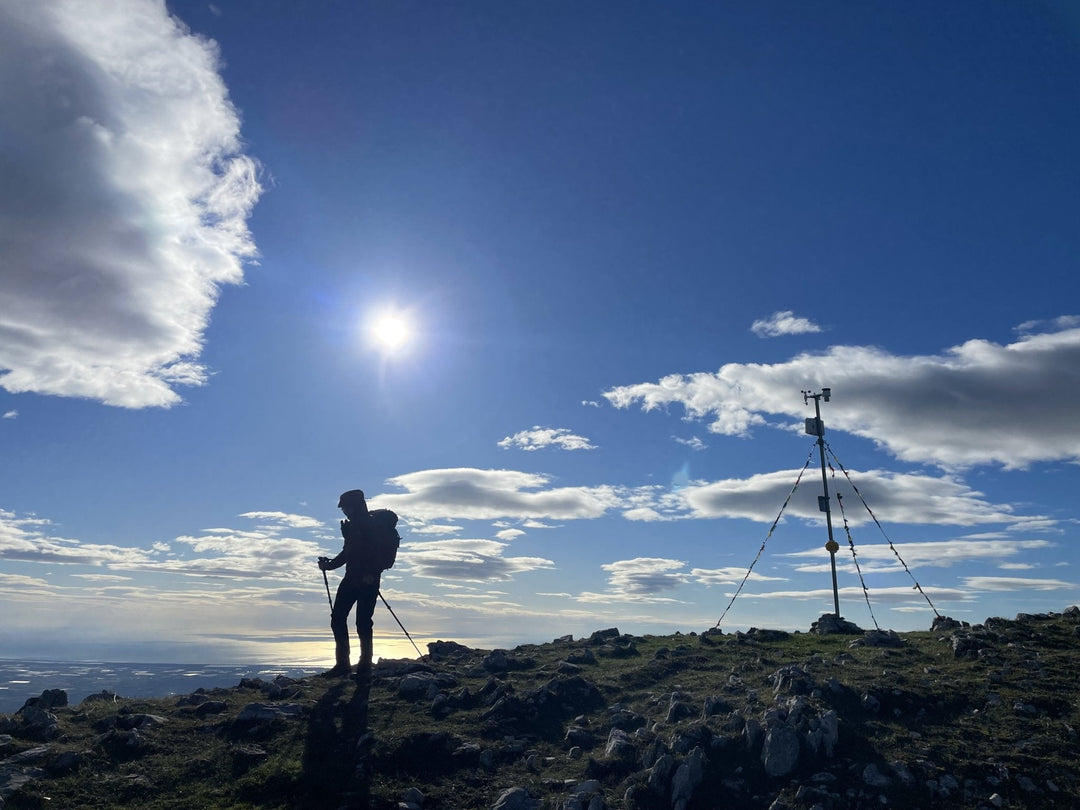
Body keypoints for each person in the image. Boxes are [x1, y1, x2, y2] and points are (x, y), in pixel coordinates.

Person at [318, 489, 381, 678]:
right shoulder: (355, 526)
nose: (344, 511)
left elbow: (365, 553)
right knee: (351, 620)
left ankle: (356, 665)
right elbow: (348, 553)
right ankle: (354, 664)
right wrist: (329, 566)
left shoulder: (368, 526)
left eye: (346, 507)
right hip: (358, 579)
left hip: (364, 580)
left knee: (352, 621)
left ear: (355, 506)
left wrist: (330, 566)